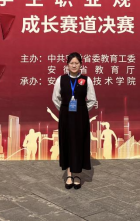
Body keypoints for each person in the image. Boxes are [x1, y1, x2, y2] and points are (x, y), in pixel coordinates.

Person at [51, 52, 97, 189]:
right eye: (71, 63)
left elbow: (92, 99)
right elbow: (55, 98)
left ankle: (77, 175)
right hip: (66, 116)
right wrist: (64, 109)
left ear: (81, 64)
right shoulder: (61, 79)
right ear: (67, 65)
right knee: (67, 143)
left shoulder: (86, 80)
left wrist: (82, 109)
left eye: (77, 63)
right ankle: (69, 174)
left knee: (79, 143)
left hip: (80, 116)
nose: (74, 65)